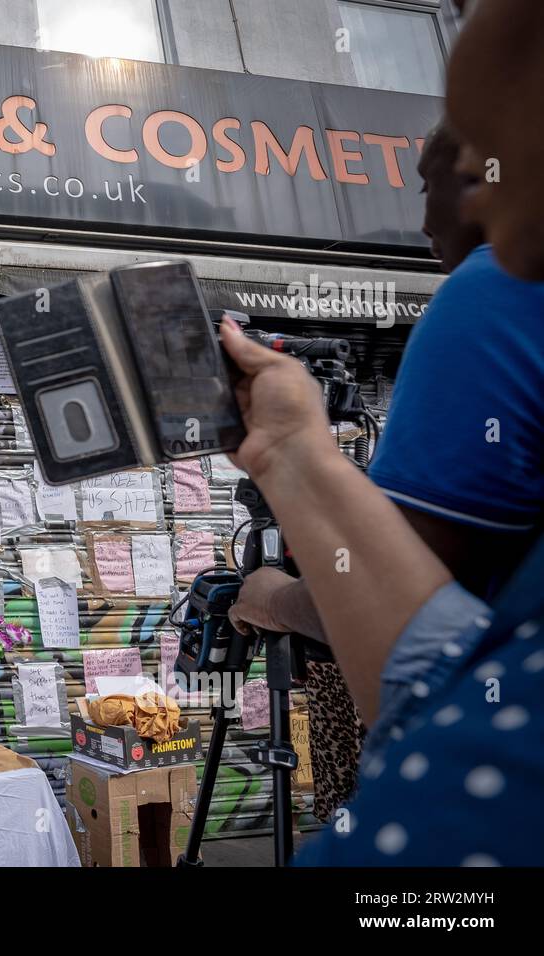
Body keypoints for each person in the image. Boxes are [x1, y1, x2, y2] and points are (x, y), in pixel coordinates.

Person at [217, 0, 544, 864]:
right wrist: (295, 458)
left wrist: (270, 599)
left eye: (475, 148)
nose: (462, 174)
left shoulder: (489, 293)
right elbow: (471, 669)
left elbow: (442, 691)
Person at [229, 121, 544, 727]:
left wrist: (271, 599)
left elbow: (400, 608)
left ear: (477, 179)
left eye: (426, 187)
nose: (423, 220)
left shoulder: (491, 291)